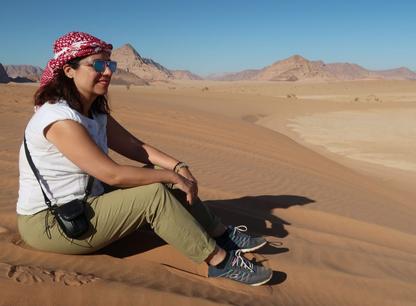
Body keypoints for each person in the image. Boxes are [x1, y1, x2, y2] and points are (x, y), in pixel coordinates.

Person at [16, 32, 273, 286]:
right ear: (69, 70)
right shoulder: (58, 119)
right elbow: (111, 174)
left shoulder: (91, 111)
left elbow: (135, 146)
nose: (107, 71)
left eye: (110, 63)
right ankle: (220, 262)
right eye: (97, 64)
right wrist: (168, 174)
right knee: (153, 195)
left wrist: (177, 167)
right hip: (52, 224)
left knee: (167, 179)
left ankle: (220, 234)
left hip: (86, 202)